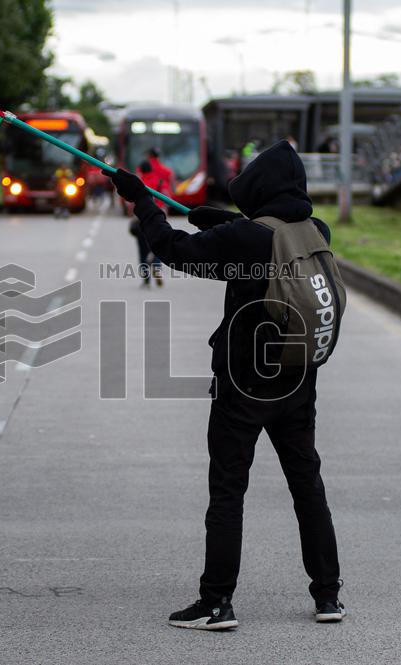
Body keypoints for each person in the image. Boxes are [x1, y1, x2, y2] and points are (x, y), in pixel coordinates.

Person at [105, 140, 344, 630]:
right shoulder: (313, 229)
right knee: (307, 486)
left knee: (228, 491)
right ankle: (328, 597)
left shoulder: (247, 238)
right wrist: (214, 219)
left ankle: (216, 604)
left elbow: (172, 251)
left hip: (244, 387)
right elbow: (253, 240)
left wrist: (141, 199)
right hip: (298, 383)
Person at [131, 160, 164, 287]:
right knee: (157, 247)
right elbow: (167, 197)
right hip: (157, 220)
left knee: (143, 250)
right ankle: (156, 267)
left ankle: (146, 279)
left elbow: (130, 203)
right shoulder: (159, 181)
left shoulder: (137, 183)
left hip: (141, 220)